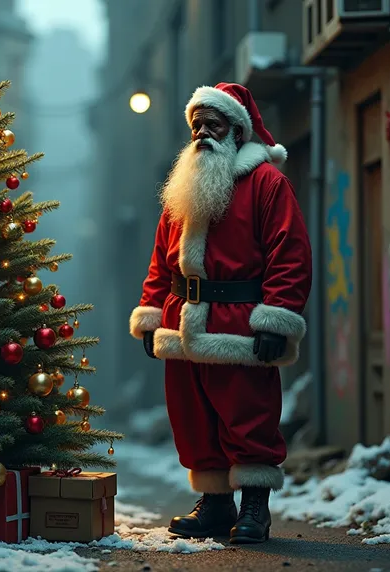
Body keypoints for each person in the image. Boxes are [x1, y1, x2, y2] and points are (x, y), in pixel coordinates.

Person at [129, 83, 312, 544]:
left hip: (239, 321)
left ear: (236, 129)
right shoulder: (183, 185)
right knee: (194, 418)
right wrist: (151, 314)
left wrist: (277, 317)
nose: (202, 134)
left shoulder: (267, 183)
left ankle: (254, 506)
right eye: (196, 125)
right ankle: (214, 505)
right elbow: (160, 259)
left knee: (248, 415)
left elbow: (290, 254)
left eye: (213, 124)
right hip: (181, 318)